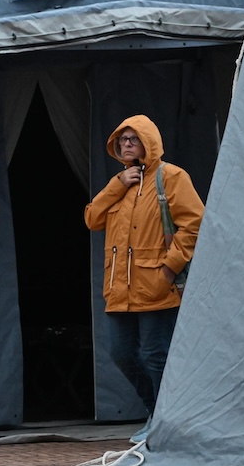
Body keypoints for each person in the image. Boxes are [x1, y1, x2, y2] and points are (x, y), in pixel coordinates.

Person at [84, 114, 203, 444]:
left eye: (132, 139)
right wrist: (118, 184)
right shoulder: (121, 182)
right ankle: (157, 413)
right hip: (118, 287)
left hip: (156, 285)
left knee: (154, 355)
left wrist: (169, 268)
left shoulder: (172, 177)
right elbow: (92, 219)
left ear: (148, 143)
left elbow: (194, 224)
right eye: (121, 140)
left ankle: (168, 419)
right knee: (121, 353)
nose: (125, 144)